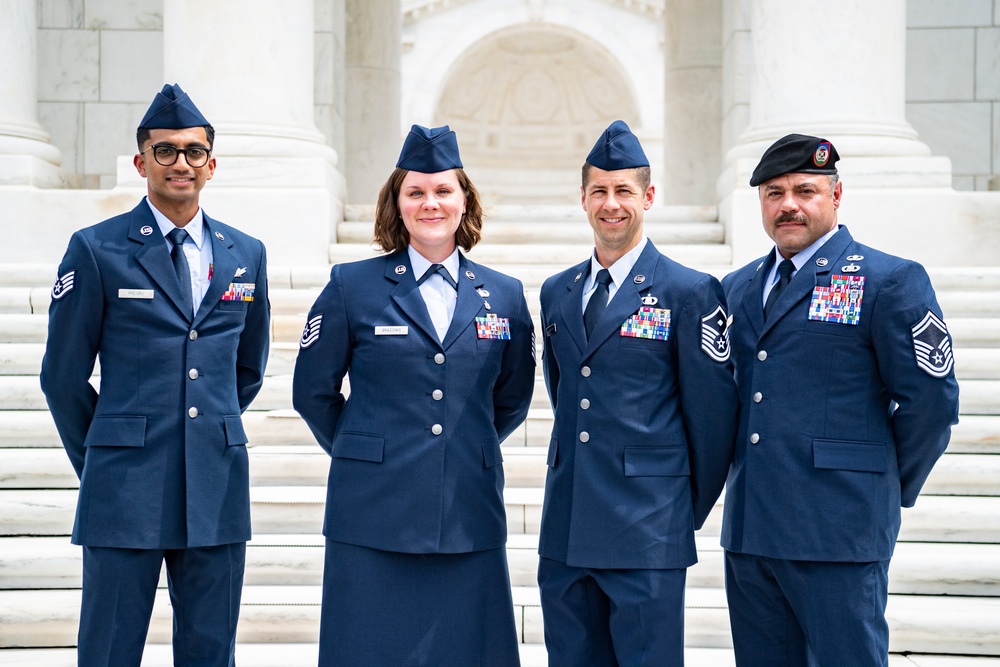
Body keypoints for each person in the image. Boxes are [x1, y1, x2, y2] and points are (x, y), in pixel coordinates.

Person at [39, 83, 271, 665]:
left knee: (211, 650)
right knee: (110, 647)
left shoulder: (247, 253)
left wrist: (204, 434)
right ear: (141, 162)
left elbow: (247, 368)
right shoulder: (97, 249)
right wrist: (103, 454)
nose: (180, 163)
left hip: (215, 486)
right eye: (164, 151)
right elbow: (62, 377)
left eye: (194, 151)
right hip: (124, 487)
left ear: (212, 165)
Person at [292, 124, 535, 666]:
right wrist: (368, 451)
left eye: (444, 190)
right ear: (395, 203)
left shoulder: (504, 295)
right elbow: (313, 391)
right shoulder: (351, 286)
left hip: (467, 509)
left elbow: (513, 397)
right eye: (416, 192)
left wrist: (457, 444)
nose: (431, 203)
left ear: (464, 199)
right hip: (371, 510)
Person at [720, 134, 960, 666]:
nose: (788, 204)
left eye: (805, 190)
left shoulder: (888, 279)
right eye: (773, 192)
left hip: (840, 527)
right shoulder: (736, 288)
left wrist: (882, 481)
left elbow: (931, 403)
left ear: (836, 195)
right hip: (752, 529)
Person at [536, 120, 739, 666]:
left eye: (624, 190)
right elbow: (567, 394)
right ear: (582, 199)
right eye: (599, 191)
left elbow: (714, 420)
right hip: (567, 525)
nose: (611, 204)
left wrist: (676, 512)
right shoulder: (557, 292)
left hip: (647, 529)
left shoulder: (689, 291)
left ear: (648, 196)